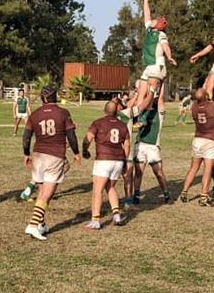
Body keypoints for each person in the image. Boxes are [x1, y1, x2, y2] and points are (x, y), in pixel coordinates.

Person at [22, 86, 81, 240]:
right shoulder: (63, 113)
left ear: (43, 98)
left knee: (41, 192)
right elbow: (71, 135)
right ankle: (33, 225)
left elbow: (26, 137)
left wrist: (26, 154)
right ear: (55, 97)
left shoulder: (34, 114)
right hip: (54, 156)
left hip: (38, 155)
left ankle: (41, 225)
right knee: (47, 194)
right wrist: (76, 153)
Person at [129, 0, 176, 119]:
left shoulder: (161, 34)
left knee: (152, 94)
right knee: (141, 93)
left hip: (157, 66)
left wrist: (170, 57)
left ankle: (147, 119)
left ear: (159, 25)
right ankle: (136, 118)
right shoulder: (150, 30)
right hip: (148, 67)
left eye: (157, 20)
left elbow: (165, 46)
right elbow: (147, 13)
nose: (154, 19)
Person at [82, 100, 130, 229]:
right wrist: (124, 160)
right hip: (118, 160)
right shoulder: (122, 125)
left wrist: (84, 150)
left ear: (104, 110)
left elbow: (88, 138)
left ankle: (95, 220)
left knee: (97, 190)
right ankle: (116, 214)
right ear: (116, 112)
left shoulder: (98, 123)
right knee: (110, 187)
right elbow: (126, 144)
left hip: (104, 159)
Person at [178, 88, 214, 205]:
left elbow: (201, 97)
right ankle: (204, 197)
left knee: (193, 168)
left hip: (198, 139)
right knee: (207, 170)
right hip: (210, 140)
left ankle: (184, 192)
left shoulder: (194, 106)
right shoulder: (212, 106)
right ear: (206, 96)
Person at [125, 103, 170, 206]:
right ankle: (136, 195)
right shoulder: (140, 110)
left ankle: (166, 194)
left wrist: (158, 87)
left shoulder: (158, 113)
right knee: (138, 172)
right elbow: (129, 108)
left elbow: (161, 98)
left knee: (158, 172)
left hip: (153, 146)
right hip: (140, 145)